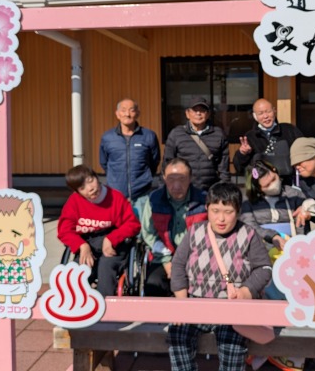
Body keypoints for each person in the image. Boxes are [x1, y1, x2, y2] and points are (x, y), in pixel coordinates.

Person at [169, 182, 272, 371]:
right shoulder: (195, 232)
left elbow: (264, 268)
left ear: (238, 211)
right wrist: (182, 302)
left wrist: (246, 290)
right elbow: (178, 265)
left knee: (232, 347)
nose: (221, 218)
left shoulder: (248, 234)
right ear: (207, 208)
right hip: (195, 303)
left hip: (231, 307)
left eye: (228, 211)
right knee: (178, 336)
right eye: (215, 211)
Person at [57, 164, 141, 297]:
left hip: (114, 244)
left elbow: (133, 224)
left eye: (90, 181)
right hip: (88, 243)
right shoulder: (74, 202)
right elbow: (64, 230)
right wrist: (82, 245)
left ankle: (104, 305)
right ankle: (77, 303)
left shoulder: (115, 197)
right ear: (77, 192)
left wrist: (111, 239)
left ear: (96, 177)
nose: (90, 188)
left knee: (106, 267)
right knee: (76, 273)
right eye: (82, 188)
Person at [140, 157, 207, 297]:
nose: (176, 185)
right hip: (163, 256)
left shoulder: (204, 201)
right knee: (153, 284)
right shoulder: (154, 200)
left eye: (182, 179)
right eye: (171, 179)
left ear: (190, 178)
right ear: (164, 178)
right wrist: (166, 260)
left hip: (196, 257)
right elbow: (148, 233)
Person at [99, 98, 161, 218]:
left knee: (143, 227)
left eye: (132, 110)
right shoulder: (107, 137)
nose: (127, 114)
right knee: (118, 227)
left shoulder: (148, 136)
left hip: (142, 194)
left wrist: (145, 178)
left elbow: (154, 161)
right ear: (117, 114)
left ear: (137, 113)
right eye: (123, 110)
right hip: (116, 195)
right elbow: (104, 162)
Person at [163, 96, 230, 191]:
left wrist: (224, 188)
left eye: (202, 110)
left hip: (210, 190)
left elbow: (224, 168)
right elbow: (167, 163)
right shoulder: (176, 134)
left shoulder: (219, 134)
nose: (198, 113)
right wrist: (164, 188)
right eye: (195, 110)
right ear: (187, 114)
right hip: (183, 189)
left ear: (208, 114)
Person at [233, 98, 303, 185]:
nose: (266, 116)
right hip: (263, 185)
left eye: (268, 111)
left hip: (289, 183)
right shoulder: (250, 137)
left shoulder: (289, 130)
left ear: (274, 111)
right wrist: (242, 153)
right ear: (255, 116)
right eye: (261, 113)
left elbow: (304, 151)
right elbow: (239, 168)